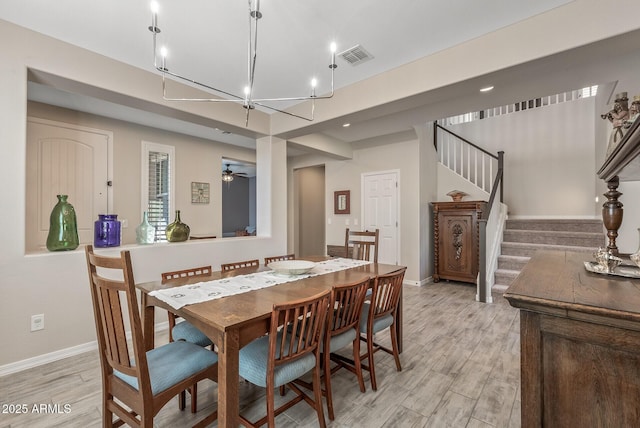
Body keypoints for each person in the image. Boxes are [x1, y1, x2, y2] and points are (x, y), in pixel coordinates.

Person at [602, 92, 630, 156]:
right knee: (612, 147)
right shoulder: (617, 112)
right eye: (617, 103)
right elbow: (613, 121)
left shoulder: (625, 111)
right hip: (615, 131)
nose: (617, 105)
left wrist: (612, 113)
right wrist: (610, 117)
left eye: (619, 103)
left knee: (619, 145)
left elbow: (618, 117)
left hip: (622, 130)